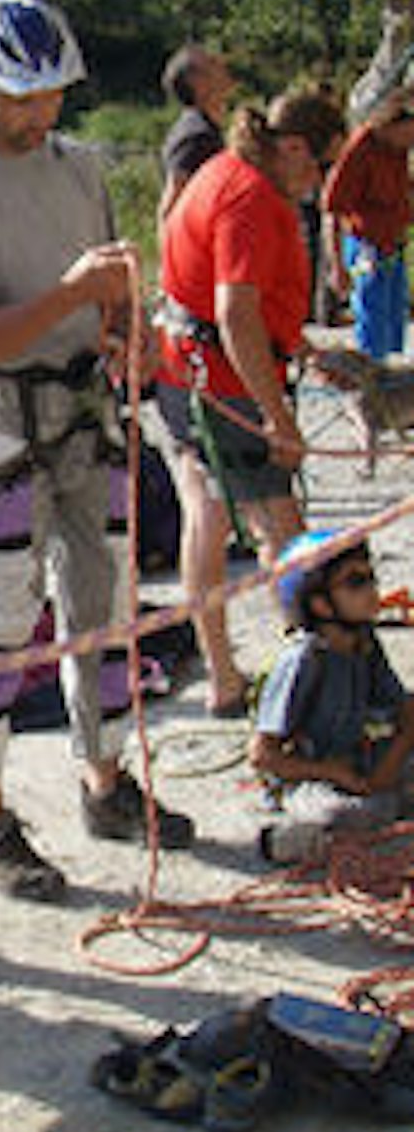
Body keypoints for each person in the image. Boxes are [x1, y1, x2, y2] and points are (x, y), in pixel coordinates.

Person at [0, 0, 195, 906]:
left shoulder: (78, 169)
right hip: (1, 422)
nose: (38, 114)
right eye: (17, 98)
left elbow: (110, 275)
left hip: (87, 410)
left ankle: (104, 782)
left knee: (101, 602)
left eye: (49, 96)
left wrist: (122, 324)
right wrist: (73, 296)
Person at [155, 91, 346, 718]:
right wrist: (279, 416)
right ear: (293, 148)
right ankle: (318, 676)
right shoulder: (252, 200)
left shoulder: (224, 169)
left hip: (184, 369)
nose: (317, 183)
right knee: (281, 527)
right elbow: (237, 313)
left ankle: (225, 678)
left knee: (204, 517)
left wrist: (299, 346)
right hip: (224, 383)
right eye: (318, 167)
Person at [251, 529, 414, 863]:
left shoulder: (364, 641)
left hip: (360, 758)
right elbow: (263, 756)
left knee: (378, 801)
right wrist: (332, 772)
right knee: (343, 815)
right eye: (355, 583)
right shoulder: (303, 661)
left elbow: (405, 709)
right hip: (312, 777)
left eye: (371, 578)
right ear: (320, 604)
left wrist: (392, 760)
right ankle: (285, 841)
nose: (373, 591)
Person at [321, 86, 414, 361]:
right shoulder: (361, 149)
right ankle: (370, 394)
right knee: (372, 326)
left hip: (393, 244)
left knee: (395, 323)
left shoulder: (398, 152)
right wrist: (337, 266)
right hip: (365, 246)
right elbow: (332, 209)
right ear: (393, 123)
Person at [157, 43, 235, 232]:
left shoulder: (205, 130)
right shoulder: (195, 137)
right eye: (211, 63)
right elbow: (169, 210)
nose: (222, 64)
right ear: (197, 82)